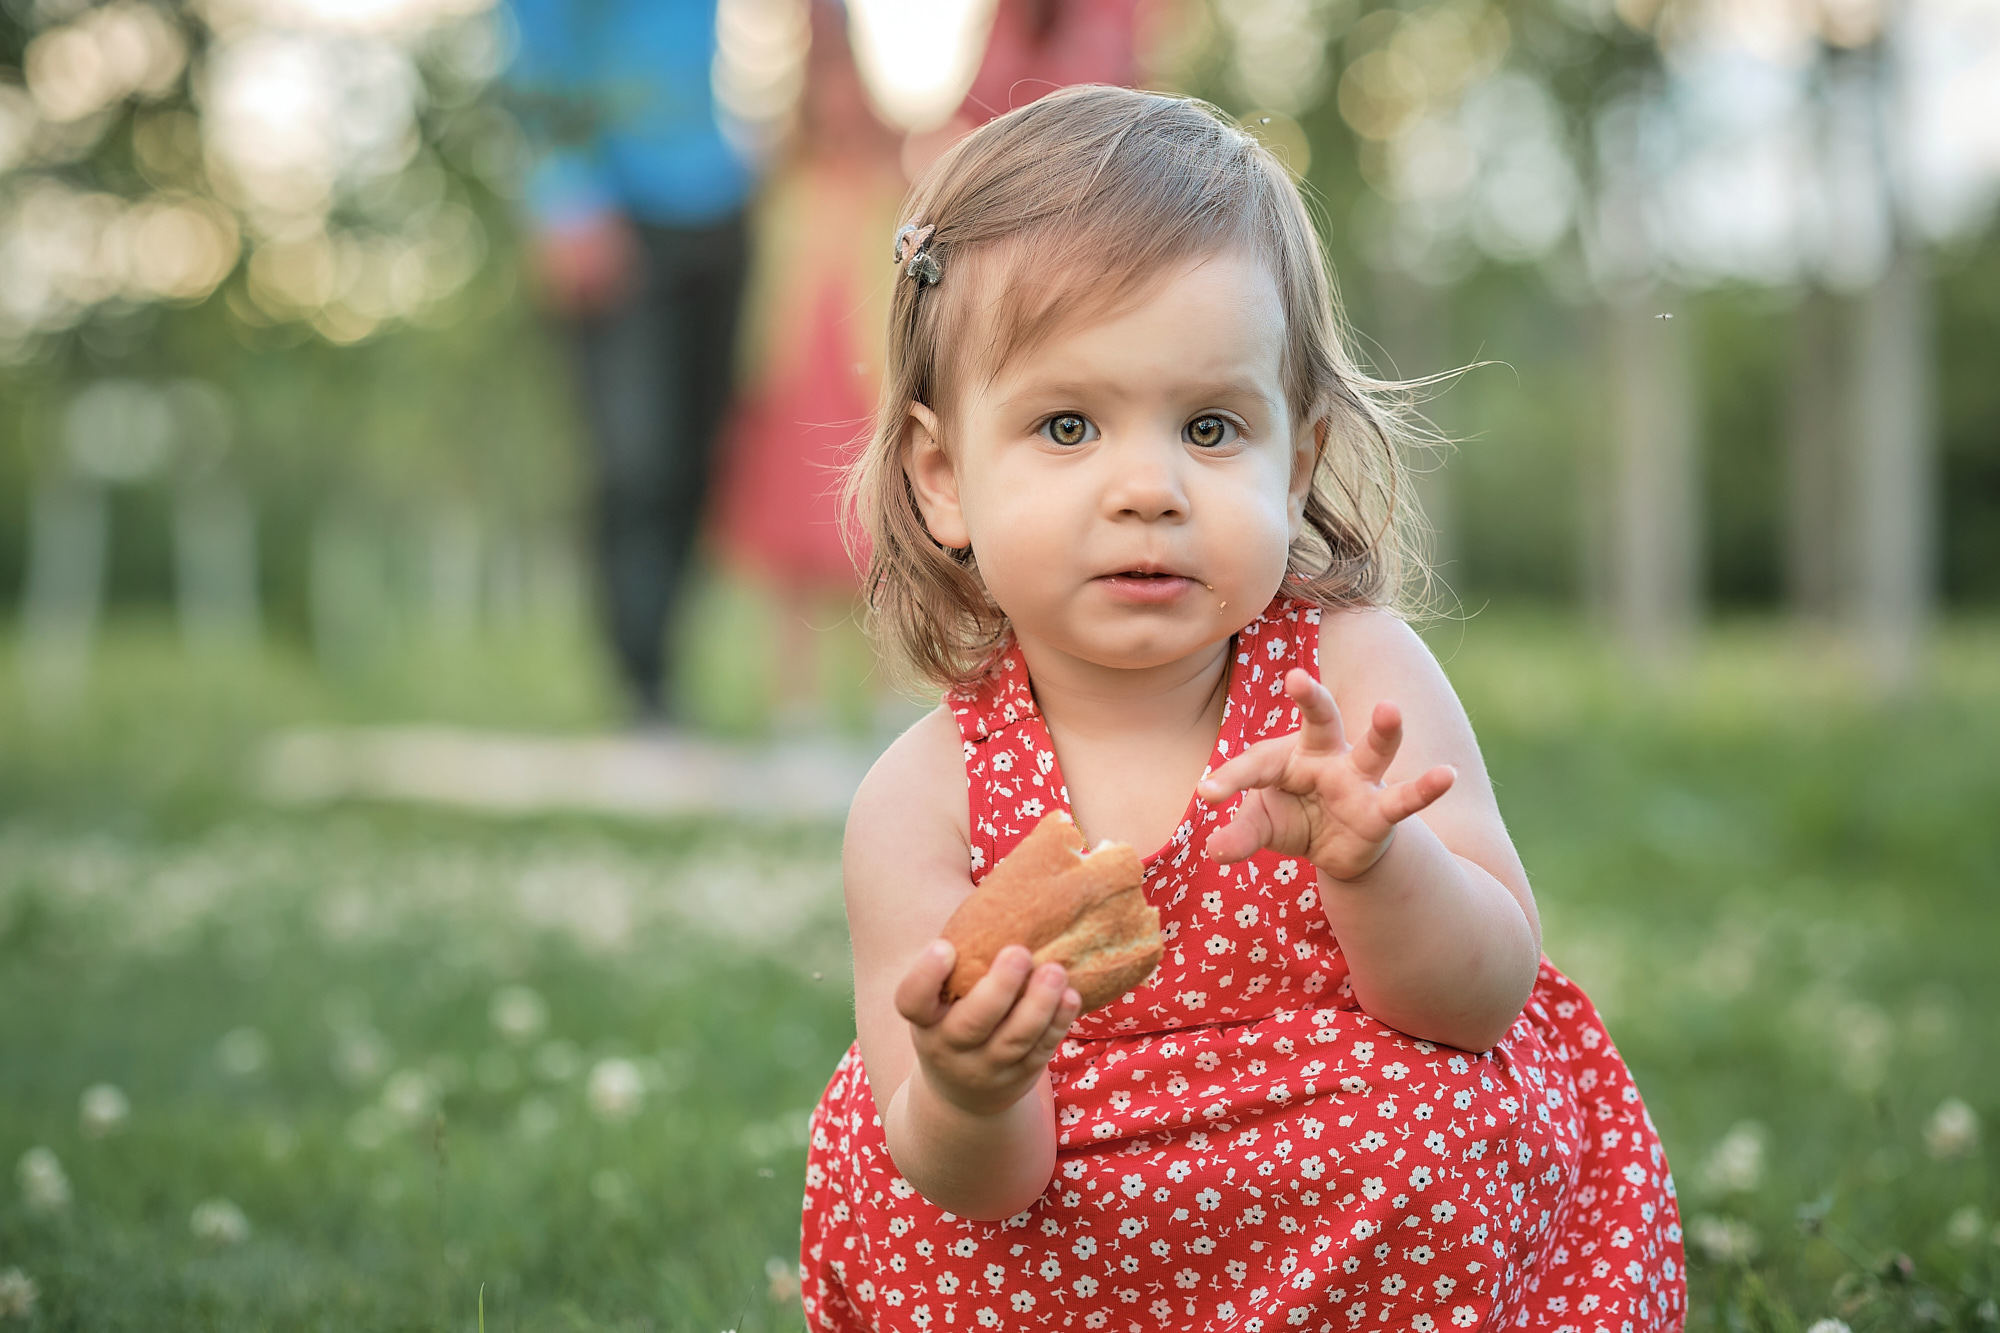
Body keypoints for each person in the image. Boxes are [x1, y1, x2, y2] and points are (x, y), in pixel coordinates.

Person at [799, 86, 1685, 1330]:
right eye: (1067, 425)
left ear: (1298, 460)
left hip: (1337, 1172)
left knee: (1437, 1125)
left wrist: (1377, 864)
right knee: (897, 1193)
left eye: (1210, 426)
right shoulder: (920, 800)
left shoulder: (1351, 682)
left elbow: (1484, 997)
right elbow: (977, 1189)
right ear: (942, 477)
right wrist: (968, 1088)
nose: (1148, 487)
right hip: (1066, 1227)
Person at [502, 0, 756, 727]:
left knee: (701, 458)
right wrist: (562, 196)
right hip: (610, 216)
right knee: (636, 459)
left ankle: (666, 678)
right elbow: (529, 49)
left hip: (721, 200)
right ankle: (639, 684)